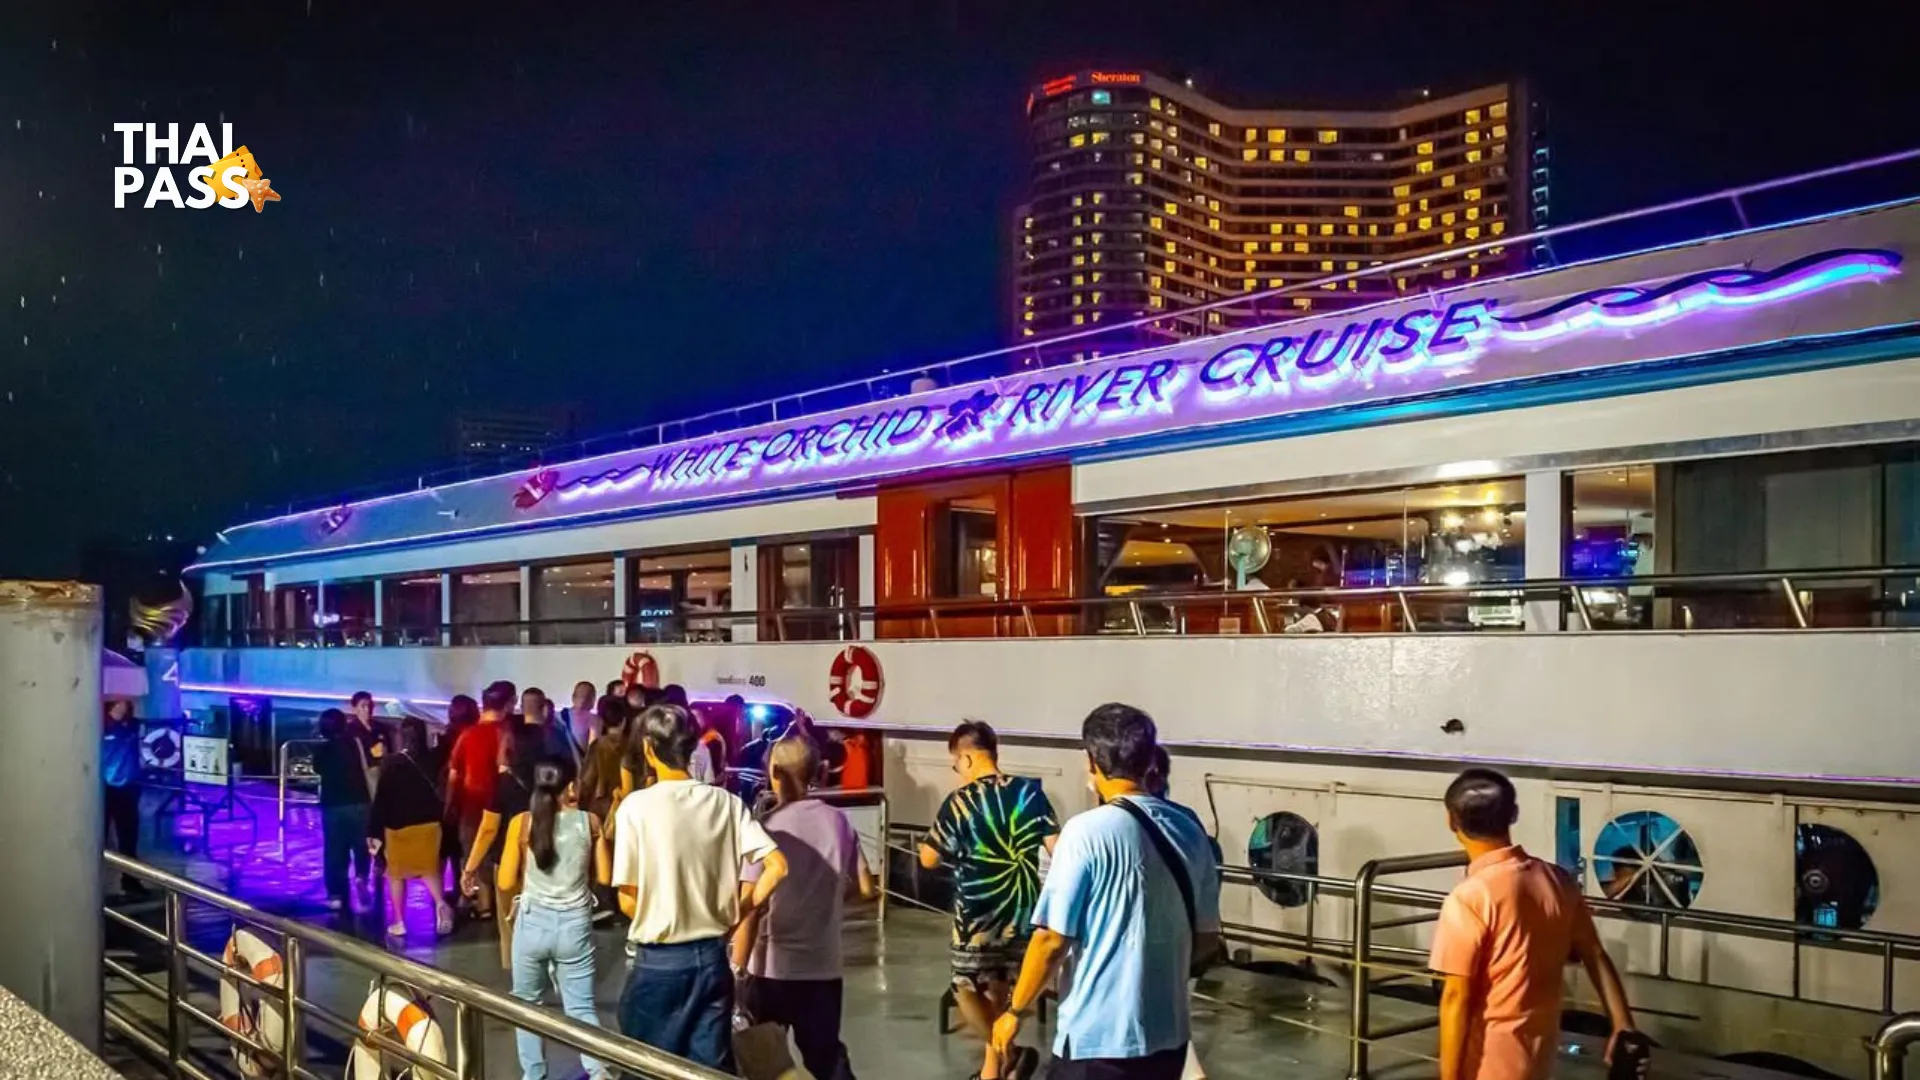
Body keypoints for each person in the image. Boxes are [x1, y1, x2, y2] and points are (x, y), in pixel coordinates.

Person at [992, 704, 1222, 1080]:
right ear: (1150, 759)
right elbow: (1207, 940)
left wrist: (1014, 1011)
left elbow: (1051, 939)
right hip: (1168, 1040)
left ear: (1092, 761)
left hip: (1096, 1041)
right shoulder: (1190, 830)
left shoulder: (1085, 832)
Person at [1429, 768, 1638, 1080]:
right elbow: (1594, 954)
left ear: (1451, 820)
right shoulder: (1557, 879)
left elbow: (1456, 996)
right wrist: (1623, 1025)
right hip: (1541, 1049)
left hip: (1488, 1056)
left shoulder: (1469, 897)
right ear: (1513, 814)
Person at [613, 703, 789, 1070]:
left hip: (659, 962)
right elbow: (777, 866)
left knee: (646, 1067)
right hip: (712, 960)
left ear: (648, 747)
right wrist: (736, 913)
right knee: (709, 1069)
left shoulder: (635, 807)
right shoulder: (727, 803)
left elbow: (628, 901)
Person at [919, 721, 1059, 1080]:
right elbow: (1058, 849)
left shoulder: (960, 802)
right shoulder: (1029, 792)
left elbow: (928, 859)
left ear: (966, 758)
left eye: (955, 764)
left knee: (964, 988)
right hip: (1023, 908)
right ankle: (992, 1072)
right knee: (1000, 989)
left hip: (977, 915)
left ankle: (1006, 1053)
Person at [730, 736, 874, 1080]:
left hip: (770, 970)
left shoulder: (766, 828)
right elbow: (866, 888)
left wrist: (736, 971)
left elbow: (752, 907)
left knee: (766, 1062)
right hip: (823, 967)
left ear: (775, 773)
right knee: (827, 1059)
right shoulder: (839, 822)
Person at [497, 758, 613, 1080]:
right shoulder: (589, 822)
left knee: (527, 1004)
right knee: (581, 1008)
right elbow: (605, 877)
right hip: (575, 926)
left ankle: (534, 1074)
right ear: (571, 786)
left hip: (532, 925)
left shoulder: (521, 823)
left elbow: (505, 881)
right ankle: (597, 1071)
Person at [1147, 747, 1219, 1080]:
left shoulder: (1118, 822)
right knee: (1176, 1028)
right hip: (1185, 945)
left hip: (1147, 949)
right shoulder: (1188, 821)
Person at [367, 718, 456, 937]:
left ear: (401, 736)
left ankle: (399, 921)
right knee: (428, 869)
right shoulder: (433, 758)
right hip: (429, 824)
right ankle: (441, 903)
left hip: (398, 827)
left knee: (396, 875)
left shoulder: (392, 763)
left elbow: (382, 799)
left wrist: (373, 830)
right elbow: (446, 746)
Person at [466, 723, 544, 969]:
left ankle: (520, 976)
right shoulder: (550, 780)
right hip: (545, 858)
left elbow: (488, 829)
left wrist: (469, 868)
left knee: (511, 923)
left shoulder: (503, 783)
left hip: (509, 861)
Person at [446, 682, 511, 918]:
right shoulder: (510, 733)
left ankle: (483, 904)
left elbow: (454, 774)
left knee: (475, 849)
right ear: (509, 704)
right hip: (505, 804)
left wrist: (449, 806)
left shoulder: (468, 734)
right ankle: (503, 903)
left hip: (472, 804)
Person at [312, 708, 375, 912]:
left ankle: (335, 895)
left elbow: (317, 769)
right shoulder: (355, 743)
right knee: (361, 846)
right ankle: (361, 877)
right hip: (360, 802)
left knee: (334, 850)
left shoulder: (321, 749)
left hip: (333, 805)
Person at [102, 699, 147, 896]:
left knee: (128, 838)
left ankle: (130, 880)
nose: (122, 706)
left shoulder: (132, 726)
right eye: (117, 702)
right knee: (99, 837)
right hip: (104, 789)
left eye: (125, 702)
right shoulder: (99, 726)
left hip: (128, 788)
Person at [560, 680, 599, 755]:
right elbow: (593, 750)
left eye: (586, 697)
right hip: (580, 761)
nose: (583, 700)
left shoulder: (557, 717)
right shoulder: (594, 720)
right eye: (581, 696)